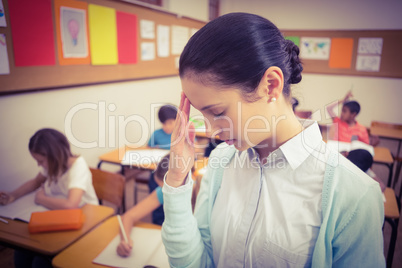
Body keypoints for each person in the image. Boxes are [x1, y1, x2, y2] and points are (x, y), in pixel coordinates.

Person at [161, 13, 385, 267]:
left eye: (218, 112)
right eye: (203, 114)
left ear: (270, 85)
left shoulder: (352, 194)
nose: (212, 130)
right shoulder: (221, 161)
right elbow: (199, 262)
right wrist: (177, 180)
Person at [0, 128, 98, 268]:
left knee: (40, 263)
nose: (39, 165)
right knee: (21, 253)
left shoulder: (78, 167)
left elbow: (71, 205)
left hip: (83, 221)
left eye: (40, 161)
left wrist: (41, 199)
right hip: (56, 217)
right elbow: (35, 182)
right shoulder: (53, 166)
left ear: (54, 155)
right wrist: (12, 195)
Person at [116, 154, 169, 257]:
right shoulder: (163, 192)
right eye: (163, 188)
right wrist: (125, 240)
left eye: (169, 189)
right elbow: (129, 216)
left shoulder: (202, 196)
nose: (166, 192)